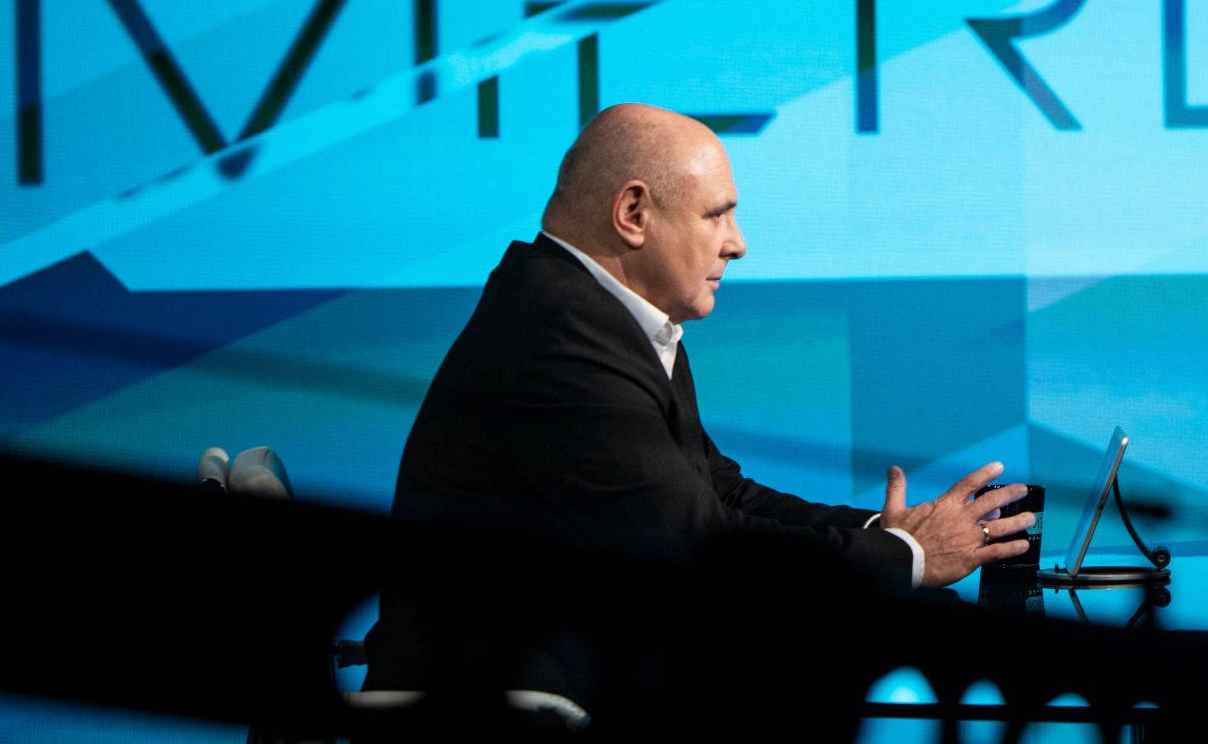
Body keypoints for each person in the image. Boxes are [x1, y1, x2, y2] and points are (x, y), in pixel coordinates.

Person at [363, 103, 1033, 696]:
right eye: (717, 215)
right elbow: (696, 544)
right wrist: (911, 558)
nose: (737, 244)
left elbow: (720, 491)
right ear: (633, 214)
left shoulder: (608, 316)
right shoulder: (559, 332)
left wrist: (884, 533)